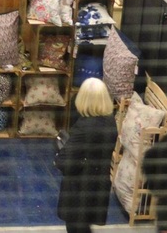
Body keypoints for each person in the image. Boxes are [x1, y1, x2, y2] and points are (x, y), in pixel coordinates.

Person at [56, 78, 117, 233]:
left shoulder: (84, 127)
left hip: (80, 189)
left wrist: (58, 155)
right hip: (99, 183)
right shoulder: (110, 122)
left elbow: (65, 162)